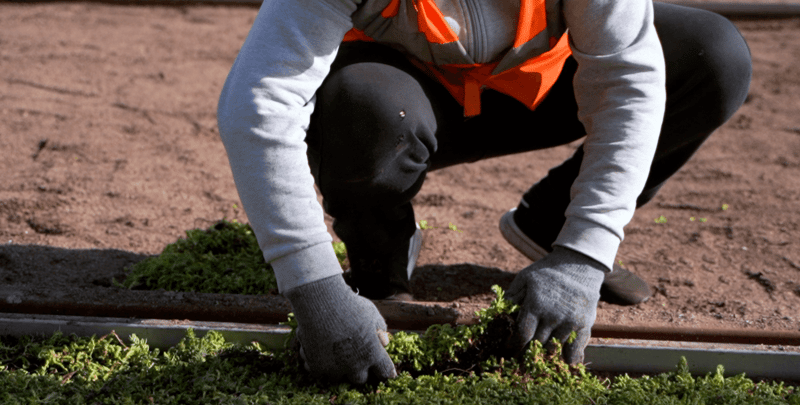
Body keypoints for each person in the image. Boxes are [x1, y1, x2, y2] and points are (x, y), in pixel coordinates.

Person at [217, 0, 752, 384]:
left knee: (712, 55)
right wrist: (315, 292)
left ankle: (552, 224)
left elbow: (629, 82)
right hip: (396, 102)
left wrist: (584, 253)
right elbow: (260, 100)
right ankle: (378, 253)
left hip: (531, 88)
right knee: (363, 112)